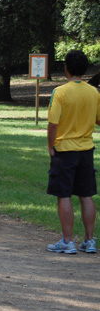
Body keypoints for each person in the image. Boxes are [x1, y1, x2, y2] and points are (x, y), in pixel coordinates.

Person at [47, 50, 100, 254]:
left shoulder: (60, 92)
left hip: (65, 150)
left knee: (64, 195)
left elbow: (53, 124)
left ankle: (68, 241)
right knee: (86, 195)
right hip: (86, 149)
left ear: (66, 68)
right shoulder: (94, 92)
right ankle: (89, 240)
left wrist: (51, 146)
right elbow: (98, 119)